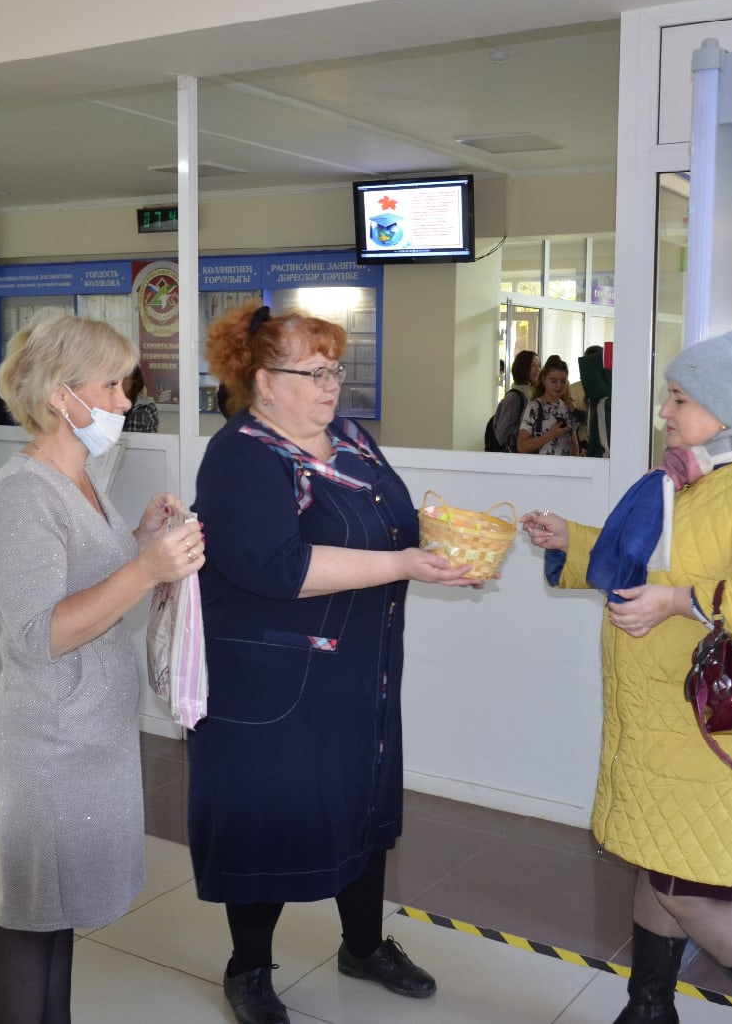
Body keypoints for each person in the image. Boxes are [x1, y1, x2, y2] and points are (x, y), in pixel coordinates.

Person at [521, 330, 732, 1024]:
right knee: (658, 861)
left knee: (691, 889)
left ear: (723, 410)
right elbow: (646, 567)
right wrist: (572, 540)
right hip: (660, 720)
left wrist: (683, 602)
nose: (665, 410)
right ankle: (649, 1006)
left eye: (679, 399)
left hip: (716, 733)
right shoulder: (686, 484)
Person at [192, 302, 477, 1024]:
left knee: (362, 802)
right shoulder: (241, 456)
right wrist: (401, 563)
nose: (331, 386)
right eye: (313, 373)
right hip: (273, 679)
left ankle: (363, 945)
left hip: (359, 667)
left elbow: (392, 523)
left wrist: (444, 552)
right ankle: (248, 968)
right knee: (269, 814)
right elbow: (278, 567)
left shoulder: (350, 438)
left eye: (334, 370)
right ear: (262, 381)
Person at [0, 310, 205, 1024]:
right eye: (110, 386)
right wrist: (146, 568)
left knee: (60, 913)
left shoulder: (81, 479)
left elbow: (84, 581)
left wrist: (139, 539)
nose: (124, 401)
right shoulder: (21, 494)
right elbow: (40, 633)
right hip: (49, 738)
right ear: (59, 395)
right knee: (31, 916)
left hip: (89, 733)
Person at [518, 354, 582, 456]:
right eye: (553, 381)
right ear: (544, 379)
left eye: (563, 381)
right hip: (541, 465)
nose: (559, 386)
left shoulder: (568, 407)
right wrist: (550, 435)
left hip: (565, 466)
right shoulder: (534, 407)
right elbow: (521, 446)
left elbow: (574, 444)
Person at [489, 349, 539, 452]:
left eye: (539, 365)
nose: (537, 369)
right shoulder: (514, 398)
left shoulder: (532, 395)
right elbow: (503, 434)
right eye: (533, 365)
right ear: (523, 368)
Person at [124, 366, 160, 433]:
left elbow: (151, 437)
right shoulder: (107, 404)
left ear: (134, 379)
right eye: (116, 378)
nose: (120, 382)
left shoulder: (147, 407)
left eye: (125, 377)